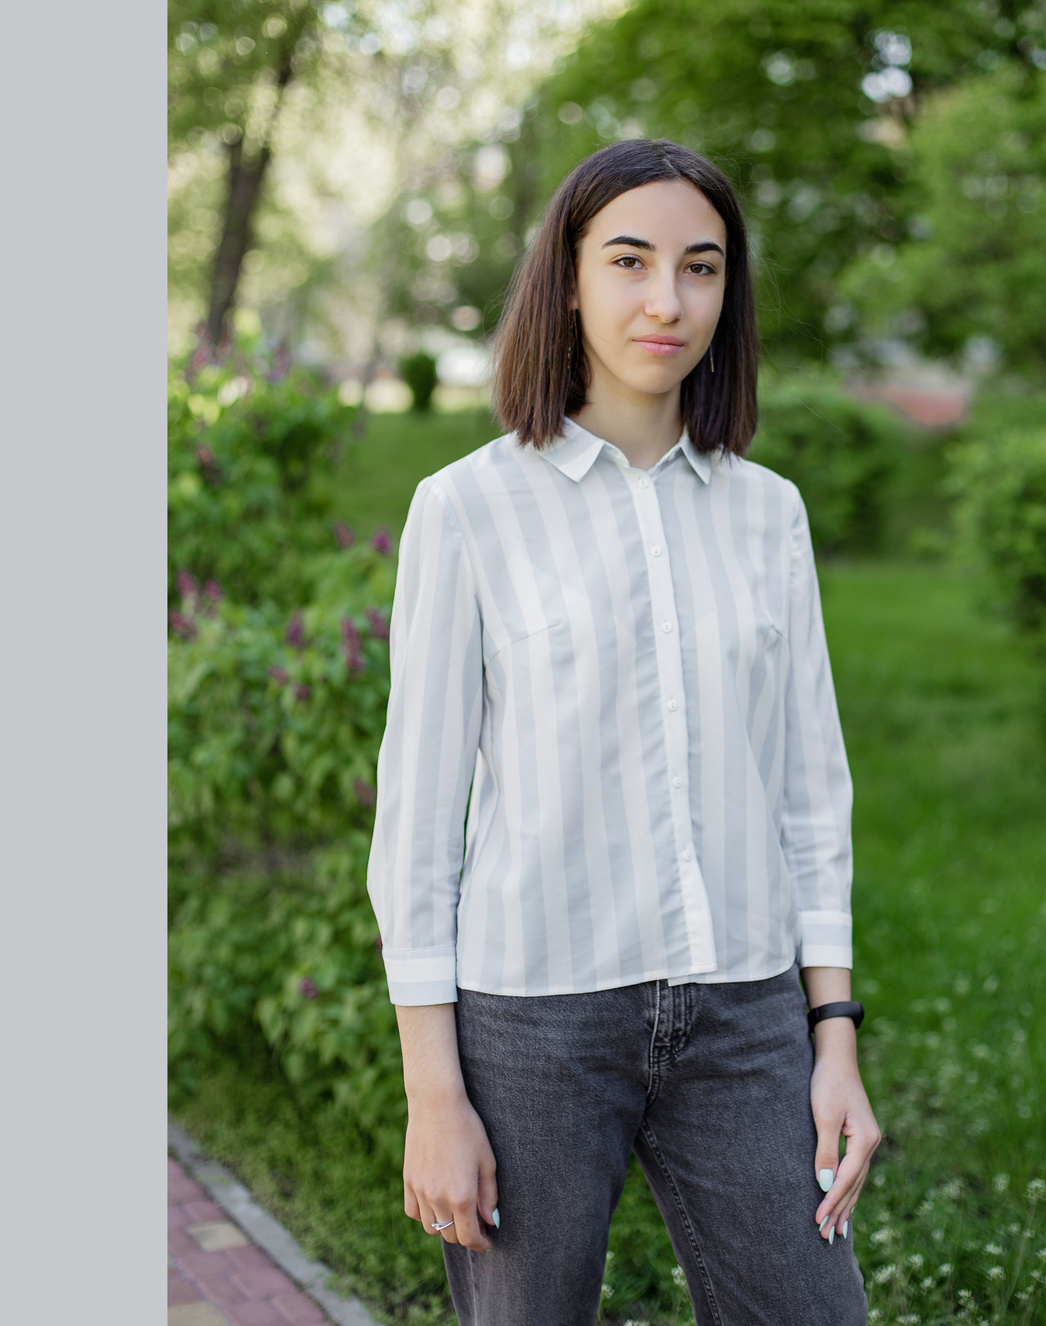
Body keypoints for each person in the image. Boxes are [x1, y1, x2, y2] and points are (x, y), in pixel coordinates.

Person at [367, 139, 875, 1324]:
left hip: (747, 1013)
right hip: (533, 1023)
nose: (667, 300)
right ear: (570, 279)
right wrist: (432, 1093)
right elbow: (419, 820)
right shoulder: (467, 509)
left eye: (701, 269)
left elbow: (812, 792)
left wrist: (832, 1034)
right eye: (631, 261)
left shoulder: (768, 513)